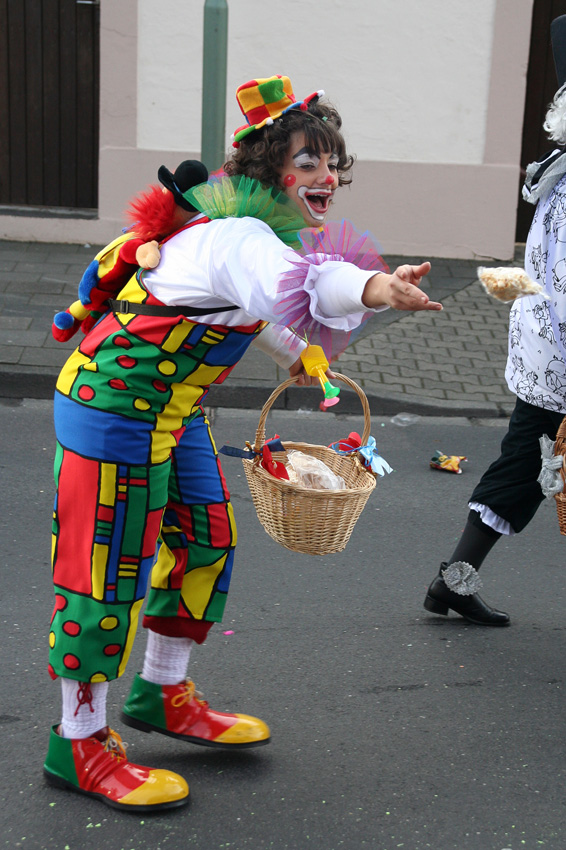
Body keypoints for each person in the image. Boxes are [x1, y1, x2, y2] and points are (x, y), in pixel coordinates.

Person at [44, 74, 442, 812]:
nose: (326, 178)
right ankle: (78, 742)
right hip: (113, 414)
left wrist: (296, 352)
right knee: (104, 576)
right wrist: (378, 288)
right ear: (269, 169)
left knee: (205, 541)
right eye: (308, 162)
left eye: (332, 163)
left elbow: (252, 305)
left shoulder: (251, 233)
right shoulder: (239, 235)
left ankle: (160, 694)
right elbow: (307, 281)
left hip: (174, 412)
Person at [423, 17, 566, 628]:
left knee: (525, 470)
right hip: (556, 359)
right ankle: (452, 583)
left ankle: (452, 584)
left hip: (546, 356)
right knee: (527, 469)